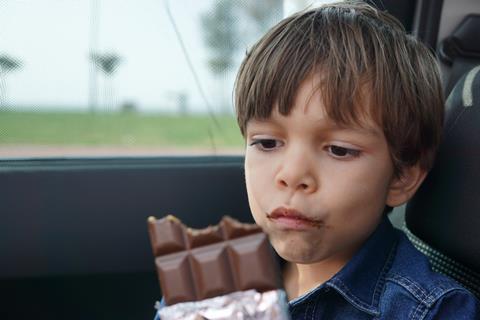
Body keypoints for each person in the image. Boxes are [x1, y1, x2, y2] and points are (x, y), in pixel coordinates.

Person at [233, 0, 480, 318]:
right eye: (266, 143)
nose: (292, 174)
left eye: (338, 150)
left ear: (401, 176)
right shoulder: (222, 276)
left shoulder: (431, 311)